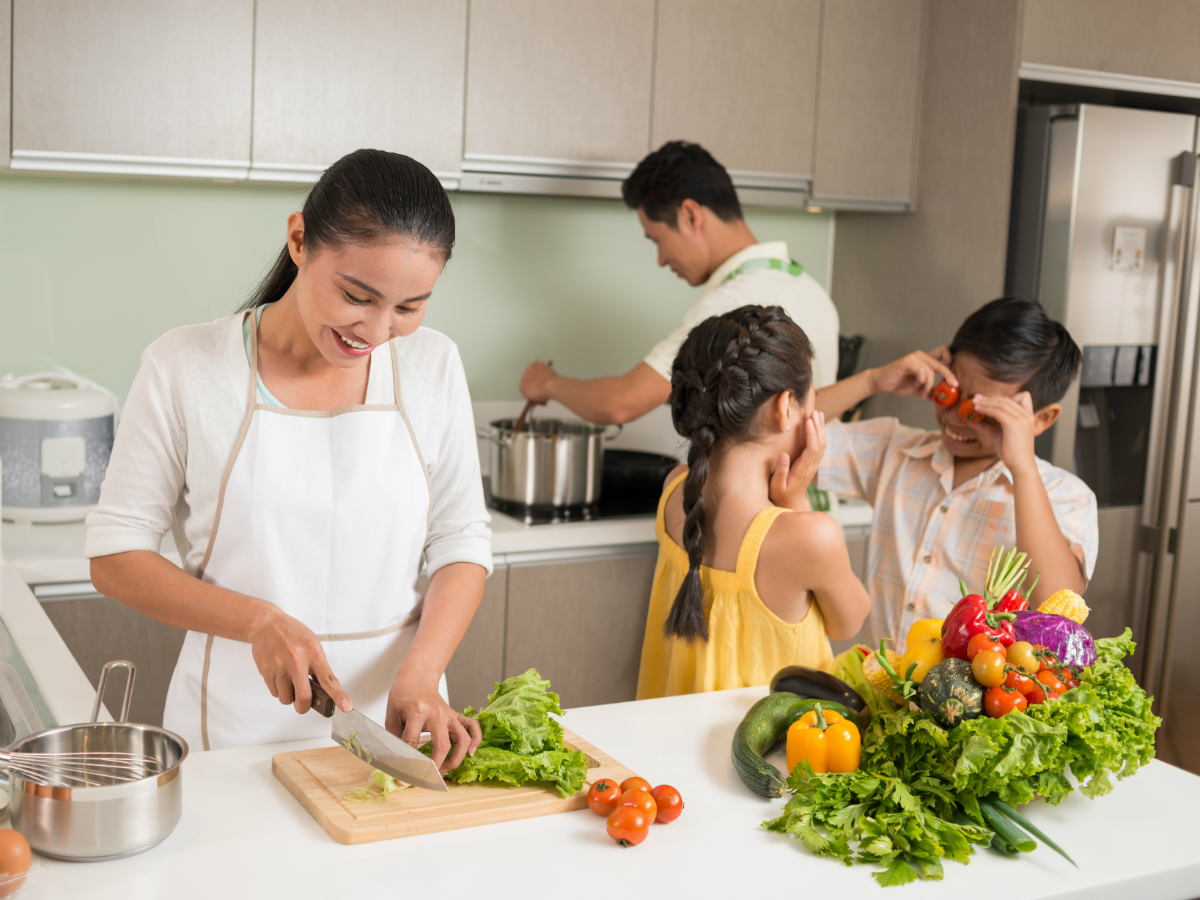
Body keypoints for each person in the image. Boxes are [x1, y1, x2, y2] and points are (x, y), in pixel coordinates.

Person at [86, 150, 491, 769]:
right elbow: (117, 557)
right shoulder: (185, 368)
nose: (378, 332)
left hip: (394, 734)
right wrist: (256, 620)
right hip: (231, 739)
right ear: (300, 240)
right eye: (357, 295)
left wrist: (424, 672)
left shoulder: (434, 365)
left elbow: (461, 540)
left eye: (409, 308)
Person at [814, 297, 1098, 649]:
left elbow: (1059, 612)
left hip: (982, 703)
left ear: (1040, 419)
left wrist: (1021, 468)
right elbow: (777, 437)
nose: (954, 417)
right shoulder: (896, 451)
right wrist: (871, 381)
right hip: (881, 696)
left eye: (982, 411)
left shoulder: (1066, 496)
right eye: (950, 394)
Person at [636, 305, 870, 699]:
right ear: (784, 409)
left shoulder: (676, 491)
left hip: (663, 749)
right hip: (762, 758)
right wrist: (797, 499)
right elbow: (851, 622)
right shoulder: (810, 535)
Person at [519, 141, 841, 425]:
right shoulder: (811, 289)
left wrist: (549, 384)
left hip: (756, 494)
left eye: (657, 239)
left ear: (690, 215)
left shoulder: (737, 304)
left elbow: (619, 403)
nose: (660, 259)